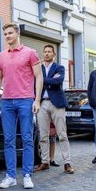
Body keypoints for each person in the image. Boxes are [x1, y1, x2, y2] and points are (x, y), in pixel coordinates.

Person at [0, 22, 43, 189]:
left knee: (27, 138)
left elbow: (39, 77)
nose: (7, 36)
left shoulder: (31, 53)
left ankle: (27, 175)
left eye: (10, 33)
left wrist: (37, 100)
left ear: (17, 33)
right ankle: (11, 176)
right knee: (9, 140)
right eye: (5, 34)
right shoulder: (2, 55)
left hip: (26, 100)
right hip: (6, 101)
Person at [35, 44, 74, 174]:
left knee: (62, 134)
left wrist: (42, 80)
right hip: (42, 103)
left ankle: (67, 163)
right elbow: (33, 82)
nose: (46, 54)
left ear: (54, 54)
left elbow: (59, 81)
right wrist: (48, 80)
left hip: (57, 103)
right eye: (45, 52)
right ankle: (45, 162)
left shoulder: (60, 67)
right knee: (43, 135)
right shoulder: (38, 68)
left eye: (49, 52)